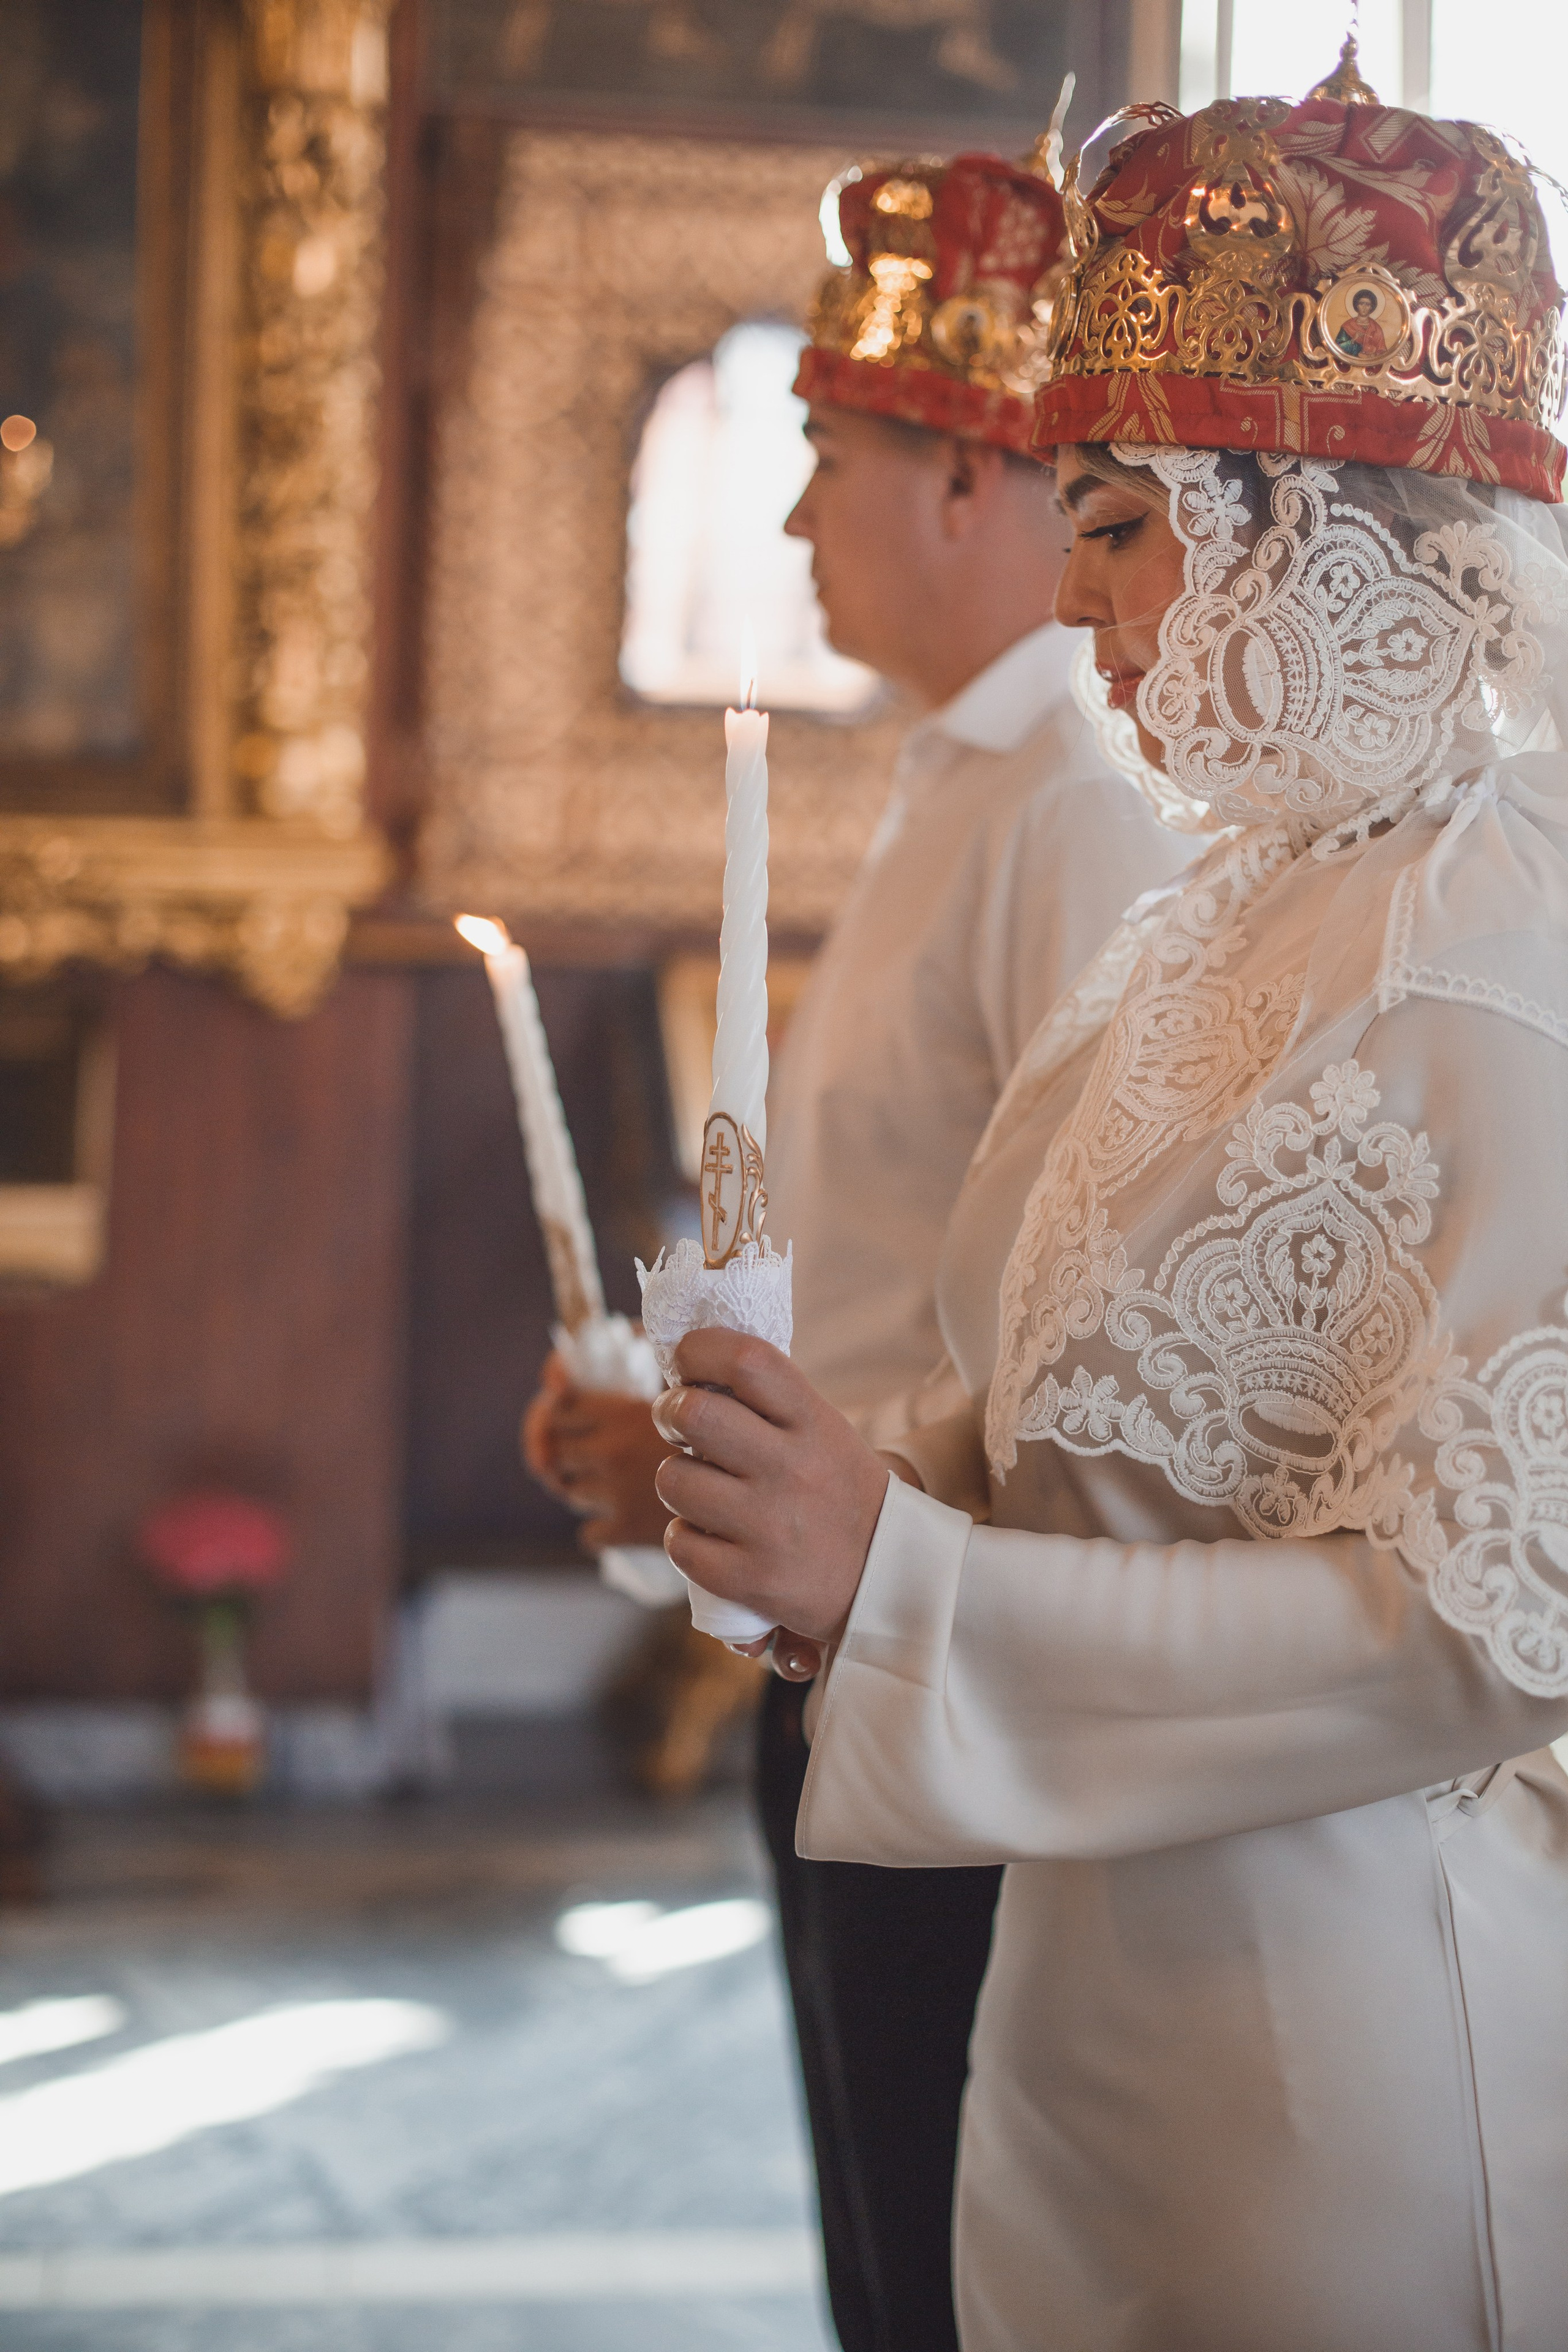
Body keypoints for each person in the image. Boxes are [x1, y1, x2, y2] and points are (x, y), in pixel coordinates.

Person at [648, 64, 1568, 2352]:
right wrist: (850, 1514)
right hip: (1105, 2008)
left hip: (1338, 2043)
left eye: (1128, 521)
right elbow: (1065, 1412)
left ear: (1323, 530)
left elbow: (1476, 1639)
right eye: (1075, 520)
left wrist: (906, 1577)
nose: (1074, 599)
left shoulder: (1496, 951)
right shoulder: (1207, 925)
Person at [522, 146, 1199, 2352]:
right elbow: (889, 1246)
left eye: (829, 459)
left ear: (971, 483)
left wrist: (798, 1491)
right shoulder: (960, 783)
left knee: (945, 2255)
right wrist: (696, 1446)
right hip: (834, 1631)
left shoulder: (1081, 802)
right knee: (878, 2241)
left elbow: (1087, 1330)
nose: (801, 518)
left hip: (944, 1643)